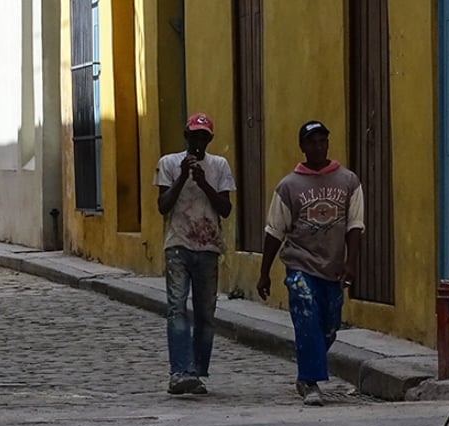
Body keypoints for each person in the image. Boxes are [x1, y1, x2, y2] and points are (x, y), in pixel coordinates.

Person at [256, 121, 364, 406]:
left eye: (322, 141)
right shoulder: (289, 186)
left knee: (329, 324)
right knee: (306, 316)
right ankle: (310, 381)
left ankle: (310, 363)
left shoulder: (348, 181)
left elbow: (355, 225)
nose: (318, 146)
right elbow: (274, 231)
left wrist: (350, 263)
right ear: (302, 147)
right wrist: (264, 272)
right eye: (311, 142)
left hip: (333, 267)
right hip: (300, 264)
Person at [154, 113, 236, 395]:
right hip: (177, 244)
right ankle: (180, 371)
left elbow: (225, 209)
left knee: (205, 313)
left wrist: (203, 183)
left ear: (209, 140)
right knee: (177, 308)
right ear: (186, 136)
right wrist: (181, 178)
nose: (198, 141)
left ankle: (197, 370)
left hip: (208, 247)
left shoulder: (219, 166)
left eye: (204, 137)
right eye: (194, 136)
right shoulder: (167, 163)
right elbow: (163, 205)